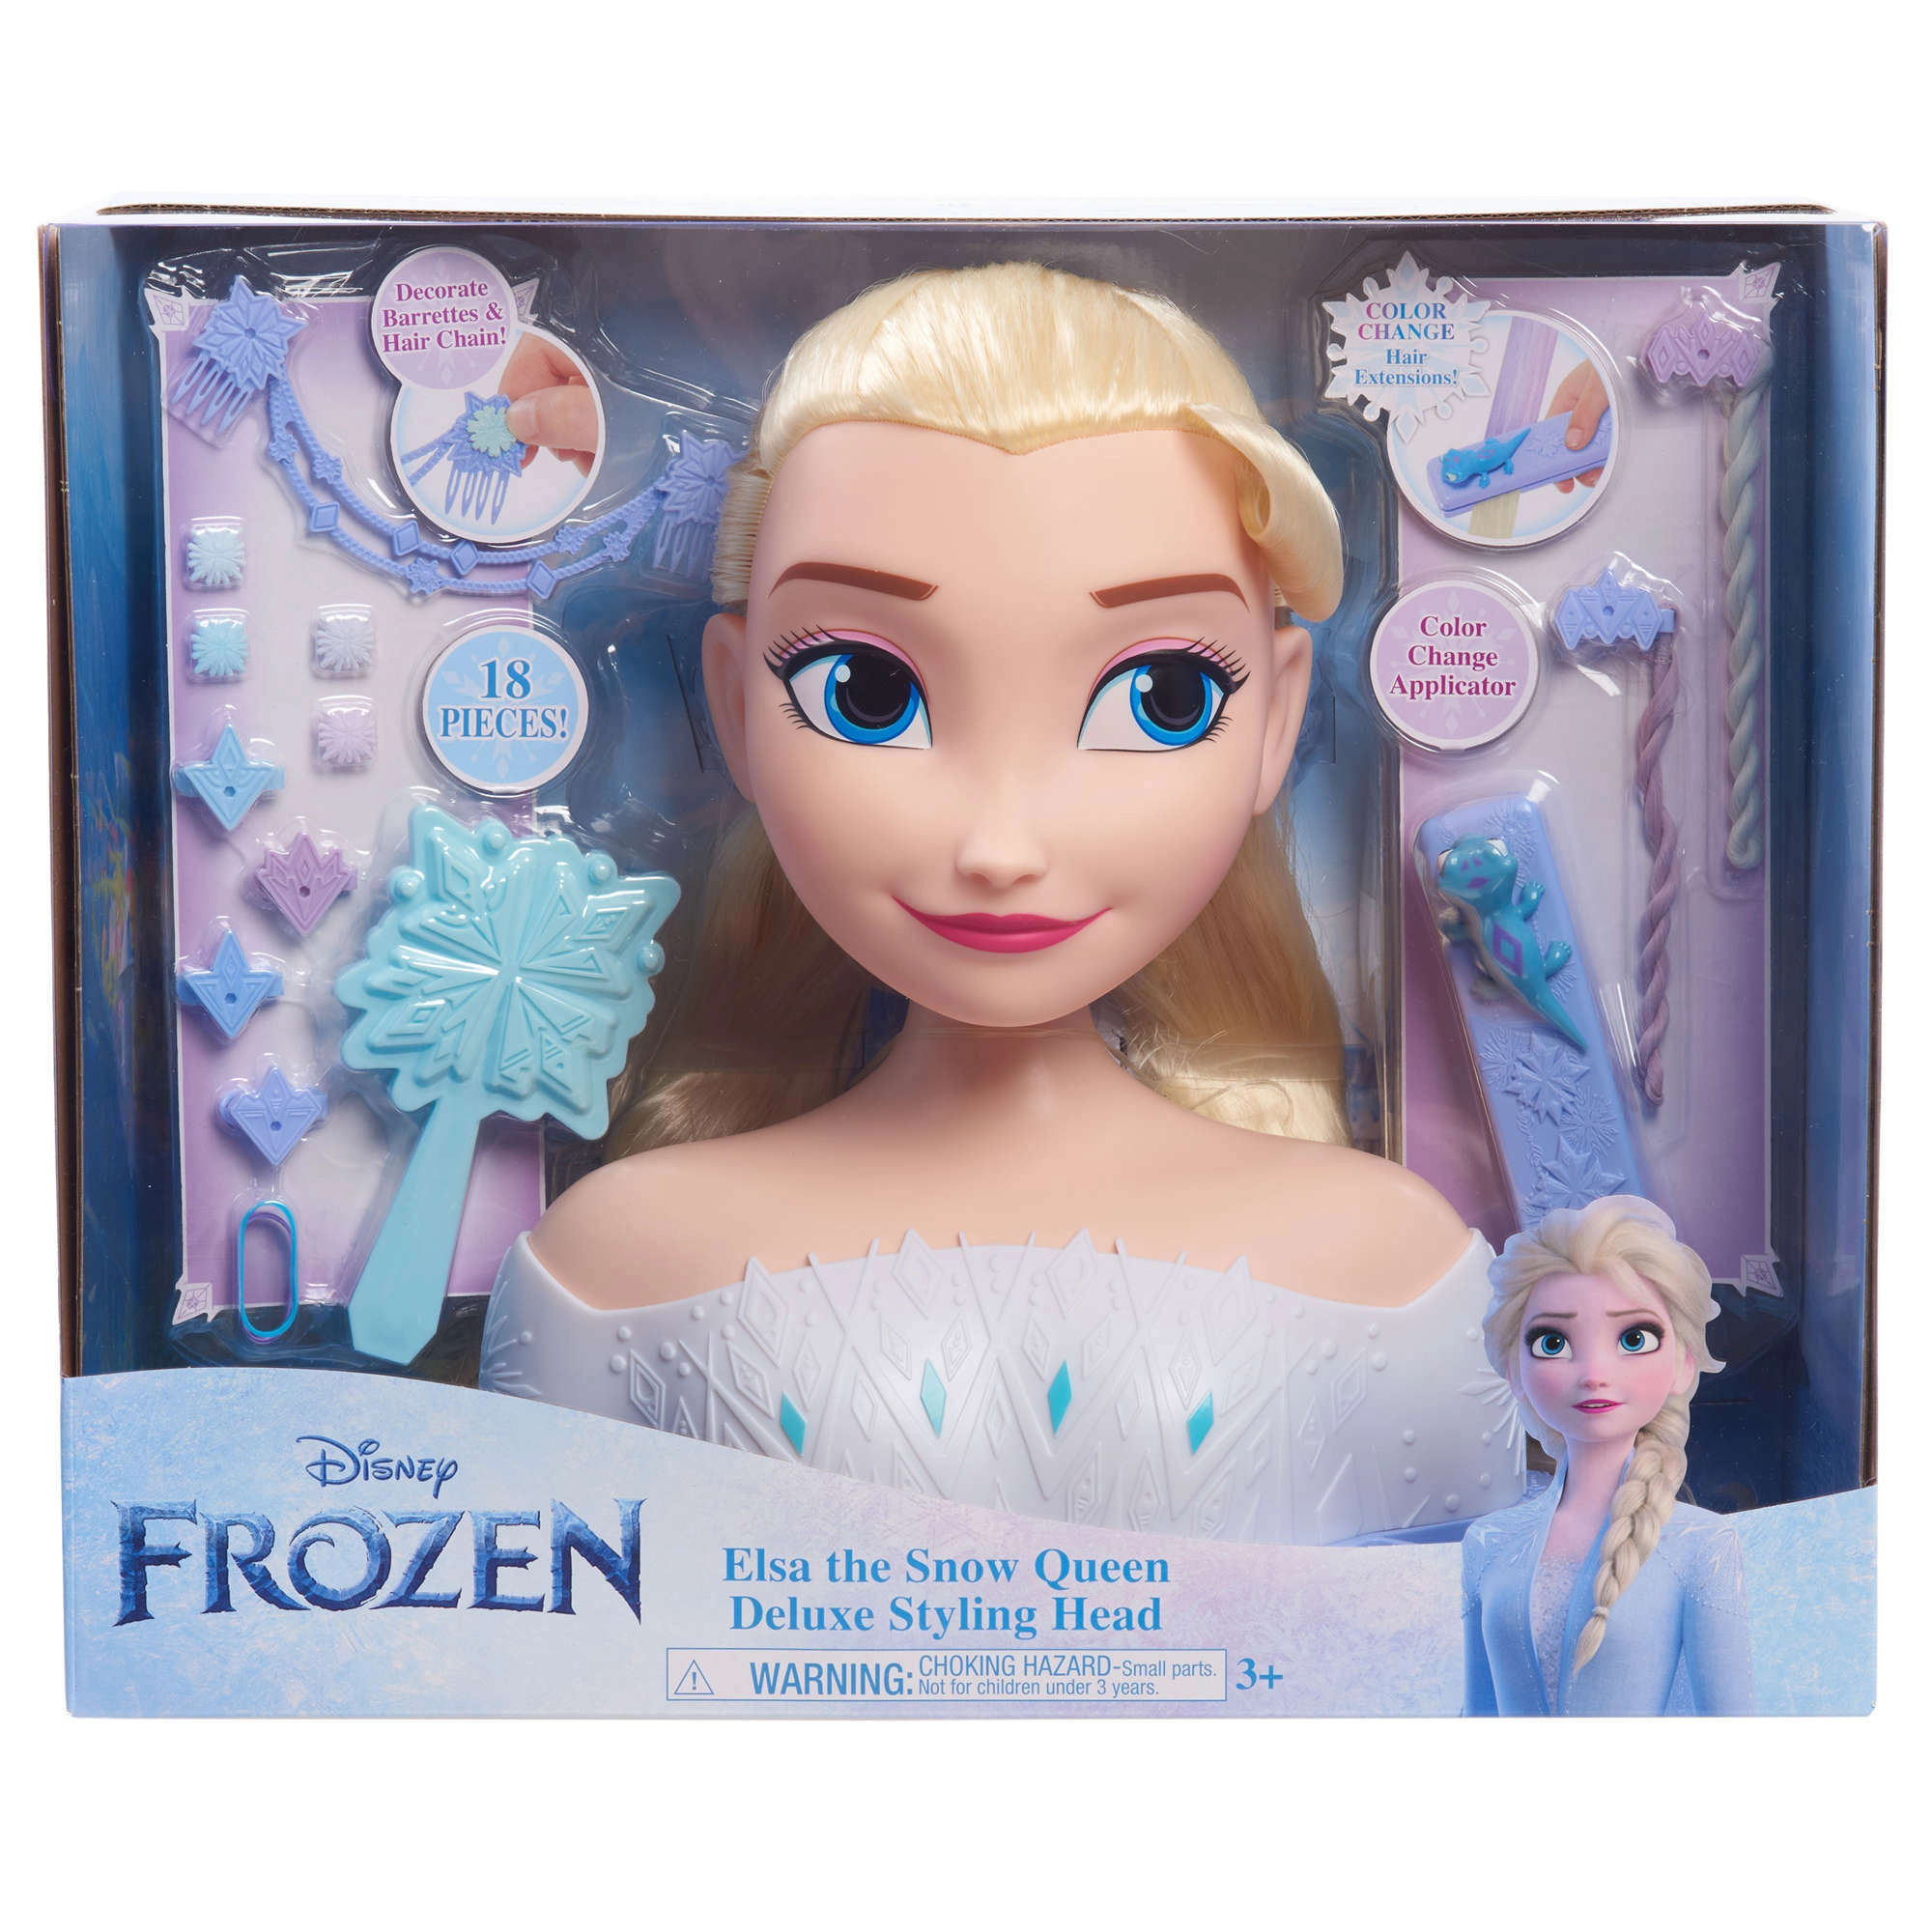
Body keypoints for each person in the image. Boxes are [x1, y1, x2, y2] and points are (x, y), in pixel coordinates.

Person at [479, 262, 1522, 1544]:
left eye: (1163, 695)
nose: (1000, 842)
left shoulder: (1389, 1262)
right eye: (865, 690)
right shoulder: (614, 1262)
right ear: (737, 705)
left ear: (1278, 717)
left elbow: (1482, 1638)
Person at [1463, 1195, 1753, 1714]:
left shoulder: (1702, 1546)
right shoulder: (1488, 1543)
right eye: (1552, 1342)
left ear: (1684, 1364)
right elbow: (1478, 1713)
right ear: (1514, 1372)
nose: (1595, 1373)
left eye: (1634, 1338)